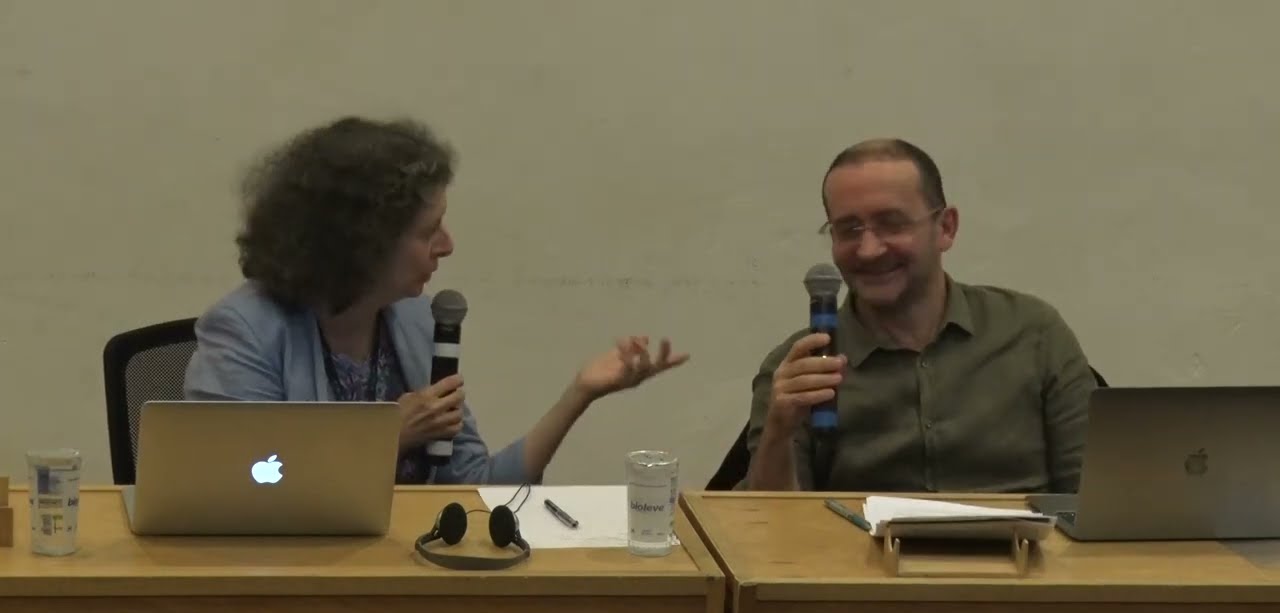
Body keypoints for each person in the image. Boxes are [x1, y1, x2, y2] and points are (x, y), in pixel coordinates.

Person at [184, 116, 689, 485]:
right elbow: (240, 484)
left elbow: (477, 488)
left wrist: (579, 394)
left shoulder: (414, 322)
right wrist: (384, 438)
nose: (447, 246)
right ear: (364, 242)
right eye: (429, 231)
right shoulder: (245, 330)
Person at [743, 138, 1096, 493]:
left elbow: (1093, 500)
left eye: (891, 224)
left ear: (946, 228)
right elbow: (768, 521)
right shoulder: (799, 369)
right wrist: (778, 433)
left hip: (1022, 531)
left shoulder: (1033, 334)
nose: (868, 250)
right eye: (849, 229)